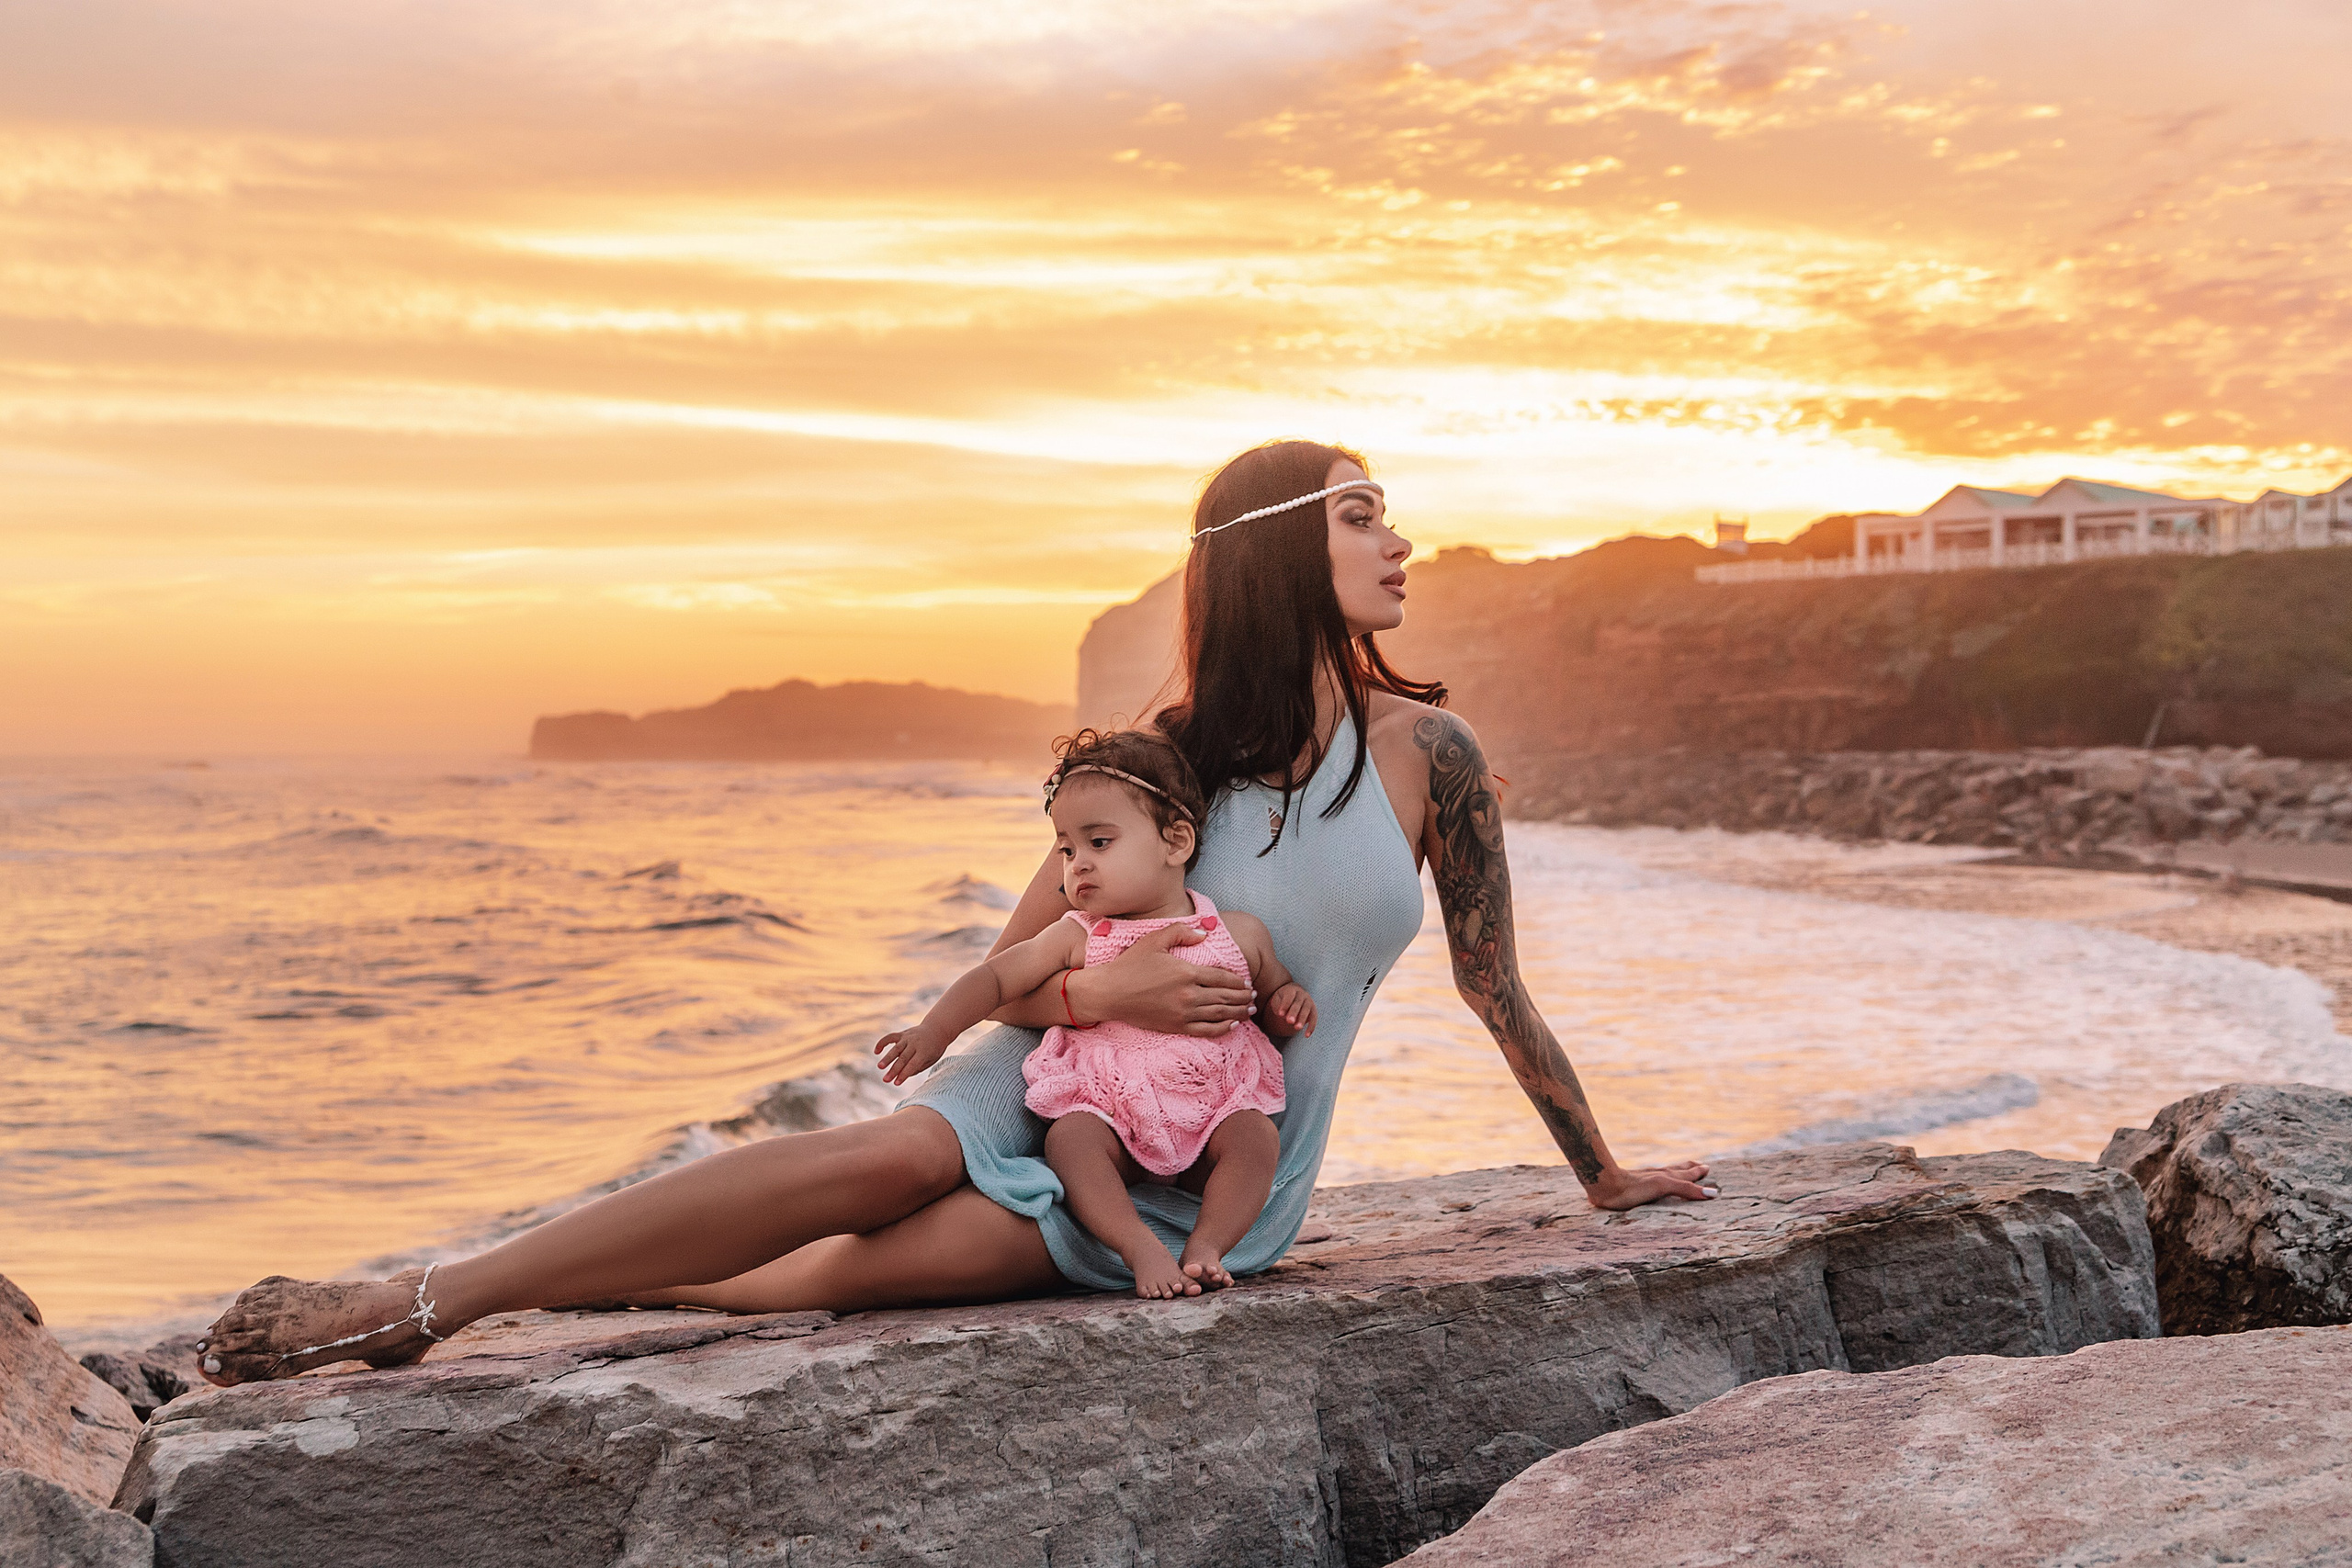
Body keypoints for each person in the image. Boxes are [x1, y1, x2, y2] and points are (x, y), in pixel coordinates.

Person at [197, 438, 1713, 1386]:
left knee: (873, 1274)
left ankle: (620, 1269)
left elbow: (1491, 982)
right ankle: (429, 1297)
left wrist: (1603, 1172)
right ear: (1275, 555)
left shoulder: (1429, 757)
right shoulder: (1162, 753)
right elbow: (1011, 974)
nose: (1402, 544)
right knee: (882, 1155)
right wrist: (1104, 999)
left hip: (1221, 1178)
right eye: (1367, 516)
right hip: (1047, 1085)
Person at [875, 727, 1314, 1300]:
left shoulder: (1236, 932)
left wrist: (1287, 1004)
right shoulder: (1079, 936)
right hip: (1112, 1106)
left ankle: (1207, 1246)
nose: (1077, 865)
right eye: (1066, 849)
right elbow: (998, 976)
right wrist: (934, 1030)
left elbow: (1274, 1001)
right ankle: (1138, 1246)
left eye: (1099, 843)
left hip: (1212, 1105)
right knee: (1072, 1142)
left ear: (1176, 842)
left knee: (1255, 1139)